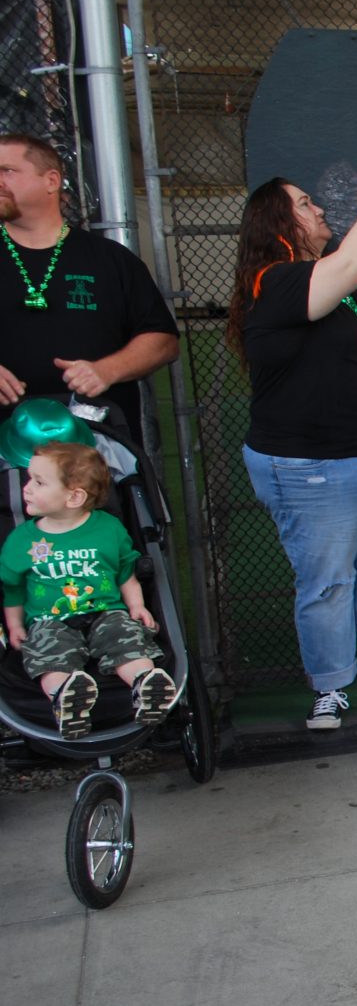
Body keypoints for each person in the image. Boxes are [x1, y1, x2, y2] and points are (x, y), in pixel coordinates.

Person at [227, 159, 357, 729]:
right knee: (327, 583)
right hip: (316, 467)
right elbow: (353, 262)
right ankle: (330, 687)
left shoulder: (348, 286)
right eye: (303, 204)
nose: (318, 209)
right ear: (276, 224)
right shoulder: (276, 280)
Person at [3, 440, 176, 739]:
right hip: (49, 620)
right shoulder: (22, 540)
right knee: (49, 654)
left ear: (74, 497)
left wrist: (136, 606)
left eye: (39, 482)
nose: (27, 488)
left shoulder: (108, 529)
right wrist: (15, 624)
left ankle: (145, 684)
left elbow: (125, 574)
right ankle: (66, 697)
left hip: (106, 612)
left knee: (126, 640)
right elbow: (12, 587)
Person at [0, 133, 178, 424]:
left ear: (51, 181)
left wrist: (107, 370)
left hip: (94, 442)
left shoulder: (110, 259)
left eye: (7, 171)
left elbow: (163, 340)